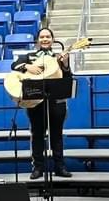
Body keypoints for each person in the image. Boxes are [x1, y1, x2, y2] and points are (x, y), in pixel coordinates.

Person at [11, 27, 73, 179]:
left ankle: (59, 167)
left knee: (57, 136)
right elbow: (14, 66)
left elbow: (67, 77)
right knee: (37, 135)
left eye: (48, 37)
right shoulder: (29, 56)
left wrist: (65, 65)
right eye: (42, 37)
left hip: (56, 102)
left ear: (52, 39)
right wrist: (27, 66)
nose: (45, 39)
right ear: (38, 40)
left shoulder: (59, 56)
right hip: (35, 102)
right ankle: (38, 168)